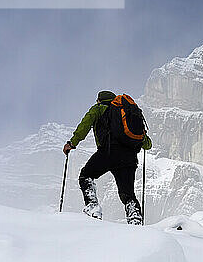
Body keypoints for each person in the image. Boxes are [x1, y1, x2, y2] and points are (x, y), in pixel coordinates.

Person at [62, 90, 152, 225]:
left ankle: (93, 207)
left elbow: (84, 126)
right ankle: (135, 218)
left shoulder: (98, 109)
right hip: (129, 158)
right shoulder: (126, 113)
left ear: (99, 100)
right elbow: (147, 144)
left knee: (86, 176)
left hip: (109, 152)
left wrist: (72, 143)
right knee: (127, 193)